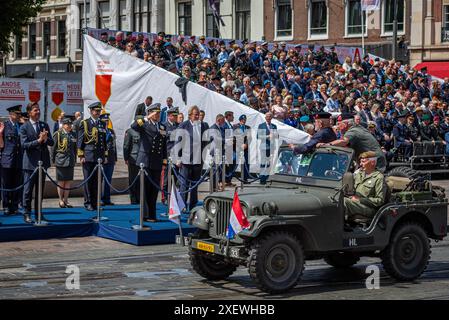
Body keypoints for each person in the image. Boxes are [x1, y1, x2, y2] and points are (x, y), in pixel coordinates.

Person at [19, 102, 54, 223]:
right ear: (29, 113)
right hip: (30, 164)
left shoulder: (44, 125)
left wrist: (45, 139)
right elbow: (24, 145)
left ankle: (39, 213)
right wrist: (39, 141)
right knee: (28, 191)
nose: (38, 112)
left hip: (42, 164)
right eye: (35, 110)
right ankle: (26, 214)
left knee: (40, 191)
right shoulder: (24, 127)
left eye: (38, 110)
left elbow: (52, 142)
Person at [131, 104, 167, 222]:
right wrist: (146, 117)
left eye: (158, 113)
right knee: (145, 189)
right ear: (150, 113)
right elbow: (134, 126)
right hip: (145, 161)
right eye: (155, 113)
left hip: (156, 161)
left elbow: (164, 145)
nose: (157, 115)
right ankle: (145, 215)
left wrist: (164, 160)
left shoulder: (161, 126)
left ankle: (152, 214)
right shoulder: (144, 124)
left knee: (154, 189)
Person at [321, 113, 387, 172]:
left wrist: (326, 145)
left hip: (374, 164)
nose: (337, 127)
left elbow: (343, 141)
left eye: (339, 124)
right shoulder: (357, 128)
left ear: (345, 124)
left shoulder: (353, 131)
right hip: (371, 162)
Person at [176, 105, 208, 210]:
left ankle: (193, 205)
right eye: (195, 115)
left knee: (195, 185)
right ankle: (182, 205)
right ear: (190, 115)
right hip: (186, 160)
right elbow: (178, 142)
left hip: (198, 160)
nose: (197, 116)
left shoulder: (203, 125)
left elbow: (206, 141)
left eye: (198, 114)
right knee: (184, 184)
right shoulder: (184, 125)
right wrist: (178, 157)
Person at [77, 102, 108, 211]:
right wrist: (81, 154)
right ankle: (88, 202)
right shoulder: (85, 123)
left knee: (97, 180)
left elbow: (104, 141)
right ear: (91, 111)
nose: (98, 112)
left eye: (99, 111)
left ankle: (96, 202)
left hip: (99, 156)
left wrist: (105, 154)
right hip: (88, 155)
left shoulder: (102, 124)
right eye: (96, 111)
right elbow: (81, 139)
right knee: (88, 181)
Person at [344, 151, 386, 222]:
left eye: (363, 162)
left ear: (372, 162)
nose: (360, 164)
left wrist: (360, 200)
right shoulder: (359, 174)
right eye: (360, 162)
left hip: (369, 208)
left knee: (344, 202)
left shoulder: (378, 177)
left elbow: (379, 200)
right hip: (355, 202)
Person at [0, 105, 23, 216]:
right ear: (11, 114)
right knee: (6, 185)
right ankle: (6, 206)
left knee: (16, 184)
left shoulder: (21, 126)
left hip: (19, 160)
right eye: (17, 114)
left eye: (20, 114)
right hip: (7, 160)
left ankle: (14, 205)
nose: (19, 116)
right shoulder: (4, 125)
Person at [51, 115, 77, 208]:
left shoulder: (73, 134)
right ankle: (60, 200)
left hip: (70, 161)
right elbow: (53, 148)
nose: (69, 126)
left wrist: (75, 159)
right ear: (63, 125)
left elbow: (74, 149)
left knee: (68, 182)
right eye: (67, 124)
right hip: (61, 161)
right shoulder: (58, 134)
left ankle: (66, 200)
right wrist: (53, 160)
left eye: (70, 124)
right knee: (61, 182)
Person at [101, 112, 118, 206]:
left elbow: (113, 146)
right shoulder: (99, 131)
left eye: (107, 121)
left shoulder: (111, 131)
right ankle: (99, 198)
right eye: (104, 121)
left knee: (108, 179)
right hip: (102, 159)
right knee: (100, 180)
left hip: (111, 158)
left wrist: (115, 158)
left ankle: (107, 198)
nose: (106, 122)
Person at [123, 116, 141, 205]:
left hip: (142, 160)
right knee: (133, 180)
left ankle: (140, 198)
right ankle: (133, 199)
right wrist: (126, 158)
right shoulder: (130, 131)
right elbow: (126, 146)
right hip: (133, 159)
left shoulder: (144, 131)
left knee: (141, 180)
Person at [257, 112, 278, 184]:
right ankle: (262, 178)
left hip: (271, 147)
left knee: (269, 163)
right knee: (263, 163)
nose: (268, 118)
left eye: (270, 116)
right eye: (267, 116)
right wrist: (267, 136)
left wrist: (274, 135)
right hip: (264, 147)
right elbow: (259, 136)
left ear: (271, 118)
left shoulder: (274, 126)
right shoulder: (261, 125)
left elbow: (277, 136)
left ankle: (267, 177)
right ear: (265, 117)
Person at [233, 114, 252, 183]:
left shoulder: (248, 127)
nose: (243, 121)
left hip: (245, 147)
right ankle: (231, 175)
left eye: (244, 120)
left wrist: (246, 144)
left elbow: (249, 137)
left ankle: (245, 178)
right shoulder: (235, 126)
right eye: (242, 120)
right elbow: (234, 137)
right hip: (237, 147)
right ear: (240, 120)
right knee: (235, 161)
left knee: (246, 162)